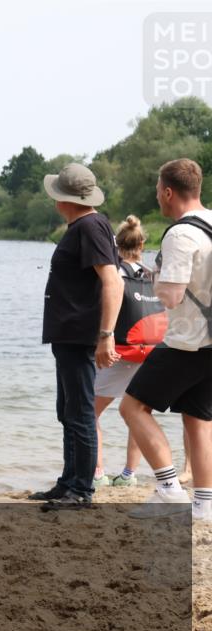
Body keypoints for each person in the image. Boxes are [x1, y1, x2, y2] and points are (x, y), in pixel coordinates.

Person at [120, 159, 212, 520]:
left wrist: (154, 274)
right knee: (198, 418)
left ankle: (169, 487)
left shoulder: (179, 234)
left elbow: (171, 296)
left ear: (169, 192)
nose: (157, 196)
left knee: (132, 407)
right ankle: (205, 504)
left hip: (186, 342)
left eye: (158, 190)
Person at [29, 163, 121, 510]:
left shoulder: (91, 226)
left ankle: (82, 490)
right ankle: (68, 482)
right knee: (67, 410)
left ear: (62, 199)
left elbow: (113, 281)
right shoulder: (85, 226)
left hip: (81, 333)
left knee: (80, 411)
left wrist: (106, 335)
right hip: (69, 333)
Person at [94, 216, 166, 487]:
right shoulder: (151, 274)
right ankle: (128, 474)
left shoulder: (116, 274)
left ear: (115, 246)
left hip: (121, 352)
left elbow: (105, 310)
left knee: (90, 412)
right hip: (150, 351)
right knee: (139, 413)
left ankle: (97, 473)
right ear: (142, 244)